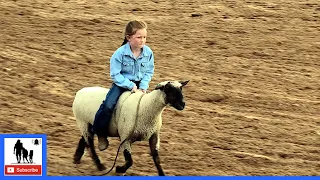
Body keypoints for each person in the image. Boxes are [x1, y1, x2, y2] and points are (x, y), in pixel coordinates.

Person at [92, 20, 155, 151]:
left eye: (144, 37)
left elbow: (149, 70)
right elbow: (115, 75)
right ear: (128, 38)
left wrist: (143, 86)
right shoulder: (119, 54)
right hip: (121, 83)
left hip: (140, 85)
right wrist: (130, 86)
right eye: (139, 37)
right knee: (108, 105)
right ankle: (100, 133)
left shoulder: (148, 52)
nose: (142, 40)